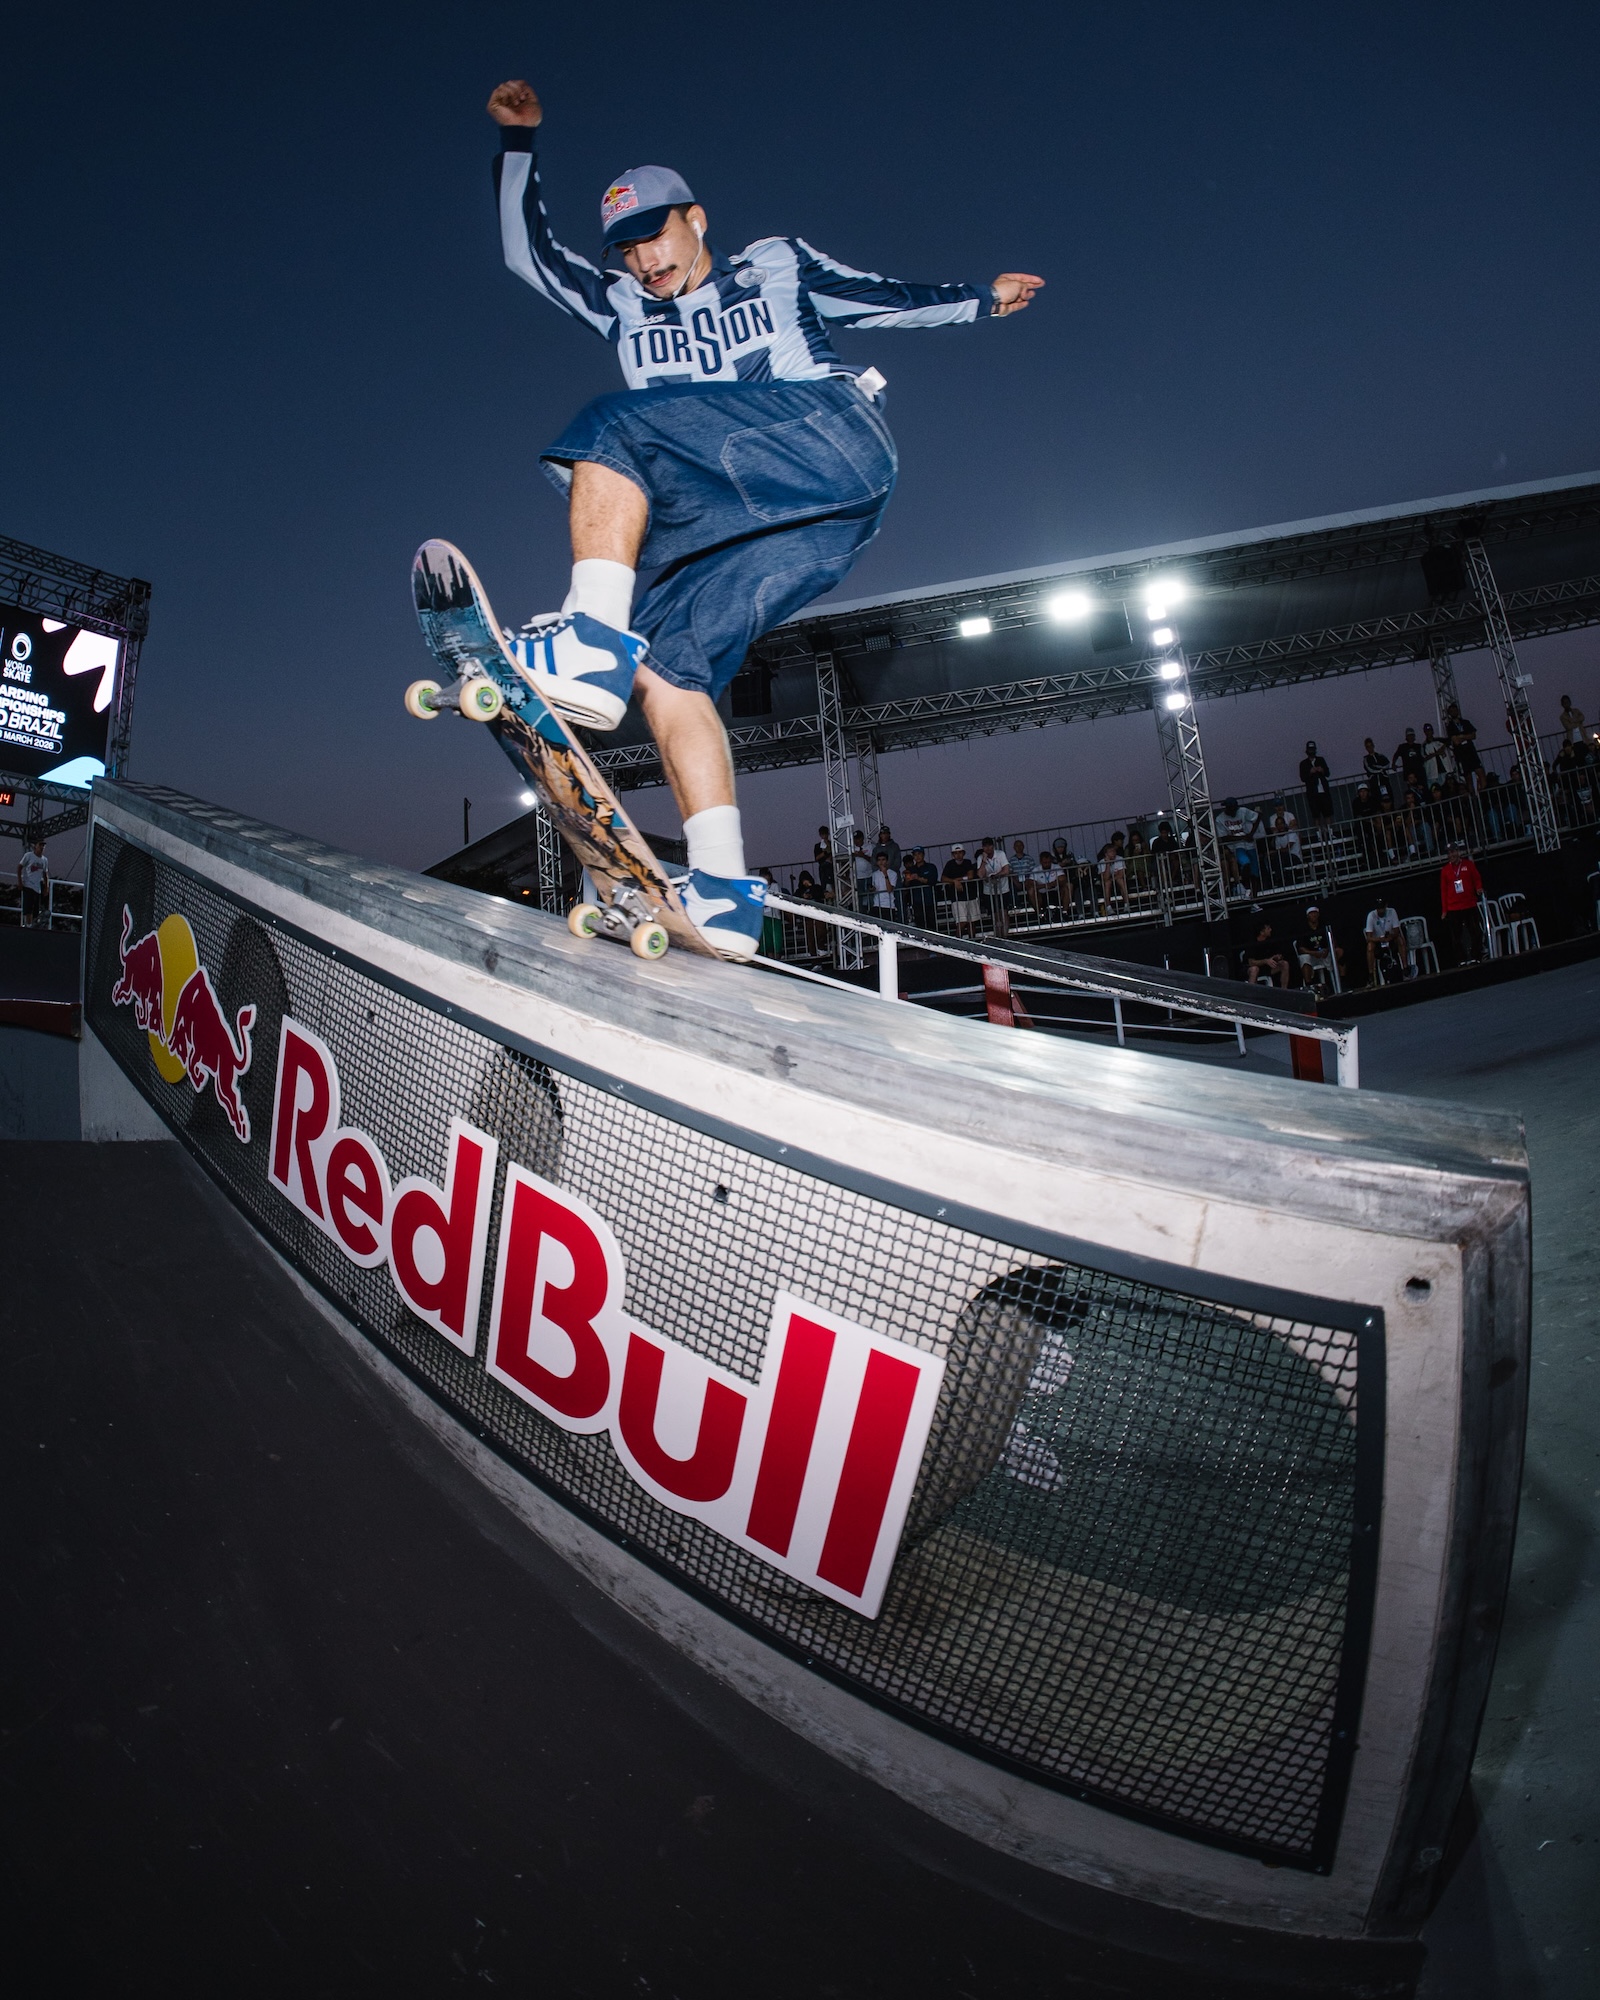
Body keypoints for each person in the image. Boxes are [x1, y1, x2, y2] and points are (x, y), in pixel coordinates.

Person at [484, 77, 1043, 958]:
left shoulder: (774, 264)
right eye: (626, 250)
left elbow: (882, 294)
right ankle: (722, 891)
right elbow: (530, 256)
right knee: (670, 672)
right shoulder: (617, 302)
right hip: (784, 526)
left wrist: (981, 296)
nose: (643, 263)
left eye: (655, 236)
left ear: (695, 219)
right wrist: (520, 145)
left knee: (609, 432)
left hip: (830, 445)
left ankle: (589, 637)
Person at [1440, 840, 1485, 964]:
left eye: (1453, 852)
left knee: (1475, 932)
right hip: (1454, 907)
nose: (1451, 855)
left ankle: (1476, 956)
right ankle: (1461, 959)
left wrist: (1479, 887)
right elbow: (1443, 892)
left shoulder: (1468, 865)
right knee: (1456, 936)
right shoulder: (1445, 871)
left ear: (1458, 852)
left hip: (1469, 904)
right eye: (1449, 853)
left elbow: (1476, 878)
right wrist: (1444, 910)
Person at [1295, 905, 1346, 994]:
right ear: (1308, 916)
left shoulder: (1324, 926)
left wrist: (1327, 949)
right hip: (1312, 956)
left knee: (1339, 951)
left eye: (1315, 913)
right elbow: (1301, 948)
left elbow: (1333, 941)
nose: (1313, 915)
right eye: (1311, 914)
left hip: (1324, 954)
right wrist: (1313, 953)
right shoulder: (1303, 930)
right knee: (1304, 958)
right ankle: (1309, 987)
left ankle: (1342, 983)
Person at [1364, 895, 1412, 984]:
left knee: (1400, 940)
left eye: (1382, 908)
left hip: (1390, 939)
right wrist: (1379, 939)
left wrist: (1390, 937)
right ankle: (1371, 975)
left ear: (1386, 906)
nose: (1380, 910)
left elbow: (1396, 931)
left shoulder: (1392, 912)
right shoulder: (1371, 915)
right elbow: (1368, 937)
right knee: (1370, 946)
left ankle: (1405, 969)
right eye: (1378, 908)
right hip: (1378, 942)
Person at [1444, 703, 1484, 793]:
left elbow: (1473, 735)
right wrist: (1466, 736)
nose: (1454, 712)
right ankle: (1473, 798)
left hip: (1471, 751)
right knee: (1468, 777)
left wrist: (1461, 736)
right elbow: (1455, 741)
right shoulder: (1450, 726)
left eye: (1455, 710)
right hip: (1461, 754)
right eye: (1451, 711)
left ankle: (1484, 793)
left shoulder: (1465, 722)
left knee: (1480, 772)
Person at [976, 836, 1012, 934]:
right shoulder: (980, 858)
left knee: (1004, 912)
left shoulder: (1000, 854)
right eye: (985, 846)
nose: (988, 849)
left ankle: (1005, 935)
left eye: (990, 846)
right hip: (989, 891)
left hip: (1003, 888)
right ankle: (998, 934)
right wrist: (984, 861)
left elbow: (1006, 870)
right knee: (995, 914)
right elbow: (980, 875)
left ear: (993, 846)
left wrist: (995, 876)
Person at [941, 844, 979, 934]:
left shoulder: (967, 862)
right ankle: (959, 942)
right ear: (953, 855)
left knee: (972, 922)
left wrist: (956, 880)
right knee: (961, 922)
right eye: (956, 853)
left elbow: (970, 876)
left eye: (960, 852)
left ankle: (973, 942)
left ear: (963, 853)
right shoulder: (950, 864)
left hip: (970, 895)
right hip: (957, 898)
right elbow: (943, 878)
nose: (958, 855)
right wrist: (955, 881)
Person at [1242, 918, 1290, 989]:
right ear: (1262, 932)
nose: (1270, 930)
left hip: (1266, 968)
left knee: (1284, 964)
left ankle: (1284, 990)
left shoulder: (1271, 941)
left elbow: (1276, 955)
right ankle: (1251, 994)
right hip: (1250, 968)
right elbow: (1251, 962)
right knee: (1254, 969)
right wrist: (1265, 961)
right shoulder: (1252, 943)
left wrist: (1277, 957)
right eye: (1268, 928)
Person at [1299, 741, 1333, 828]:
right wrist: (1310, 772)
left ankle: (1330, 833)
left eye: (1312, 749)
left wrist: (1322, 770)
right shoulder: (1303, 764)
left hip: (1324, 791)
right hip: (1312, 793)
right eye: (1310, 750)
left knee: (1327, 813)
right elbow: (1303, 778)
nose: (1311, 751)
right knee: (1316, 815)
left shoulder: (1321, 760)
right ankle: (1319, 836)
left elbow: (1328, 773)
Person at [900, 846, 938, 924]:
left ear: (923, 855)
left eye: (919, 854)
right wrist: (907, 880)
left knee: (931, 924)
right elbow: (906, 886)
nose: (917, 856)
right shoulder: (910, 870)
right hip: (916, 901)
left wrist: (918, 878)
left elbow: (932, 881)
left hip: (929, 900)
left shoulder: (931, 867)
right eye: (915, 855)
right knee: (920, 924)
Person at [16, 840, 49, 929]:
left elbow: (45, 874)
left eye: (43, 846)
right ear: (35, 846)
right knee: (28, 908)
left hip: (37, 887)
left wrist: (46, 887)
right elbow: (19, 867)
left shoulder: (44, 860)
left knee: (36, 910)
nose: (42, 847)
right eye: (40, 845)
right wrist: (20, 881)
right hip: (28, 885)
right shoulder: (29, 856)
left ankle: (33, 924)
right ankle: (28, 926)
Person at [1394, 726, 1427, 794]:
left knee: (1423, 791)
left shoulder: (1418, 746)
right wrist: (1393, 764)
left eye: (1412, 735)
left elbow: (1423, 757)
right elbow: (1396, 755)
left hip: (1419, 773)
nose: (1411, 737)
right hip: (1409, 774)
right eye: (1409, 735)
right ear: (1406, 737)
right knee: (1412, 792)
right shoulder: (1402, 747)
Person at [868, 848, 899, 916]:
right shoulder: (874, 874)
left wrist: (885, 874)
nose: (881, 862)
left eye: (883, 860)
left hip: (888, 905)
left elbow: (889, 889)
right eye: (879, 860)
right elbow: (874, 888)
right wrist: (872, 889)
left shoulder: (893, 873)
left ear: (887, 861)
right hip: (876, 904)